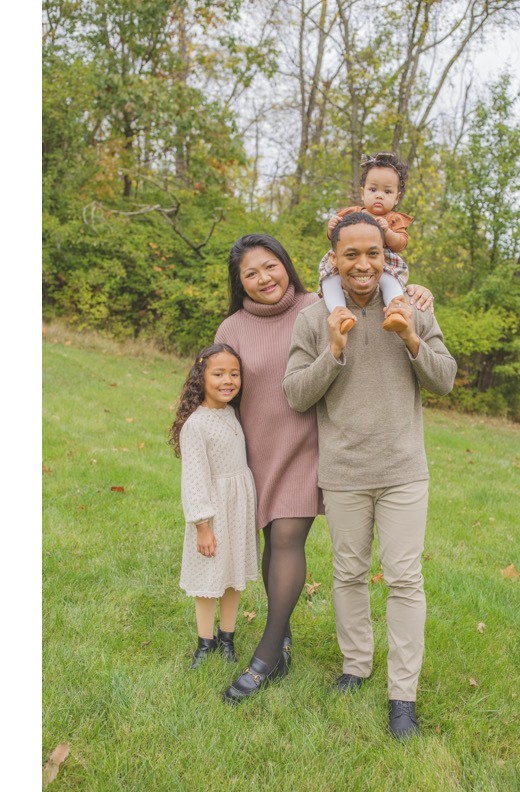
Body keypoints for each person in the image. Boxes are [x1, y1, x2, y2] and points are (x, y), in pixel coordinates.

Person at [214, 234, 435, 703]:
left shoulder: (320, 304)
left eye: (270, 266)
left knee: (290, 537)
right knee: (274, 541)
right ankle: (286, 639)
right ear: (239, 284)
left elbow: (369, 267)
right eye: (250, 274)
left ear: (288, 265)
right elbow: (222, 386)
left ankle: (268, 653)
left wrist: (414, 293)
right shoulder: (231, 328)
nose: (263, 278)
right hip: (261, 449)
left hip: (312, 445)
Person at [283, 212, 457, 740]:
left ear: (387, 257)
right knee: (348, 574)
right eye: (351, 254)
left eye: (373, 254)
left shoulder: (412, 308)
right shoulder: (315, 319)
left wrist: (410, 339)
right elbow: (294, 394)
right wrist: (333, 350)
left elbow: (445, 380)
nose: (362, 264)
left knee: (404, 579)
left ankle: (402, 695)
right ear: (333, 258)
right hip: (345, 472)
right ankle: (356, 667)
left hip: (403, 469)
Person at [169, 344, 259, 670]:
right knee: (209, 578)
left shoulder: (232, 412)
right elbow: (194, 479)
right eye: (218, 373)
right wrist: (202, 526)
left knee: (233, 575)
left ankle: (227, 638)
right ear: (201, 377)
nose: (228, 380)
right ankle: (204, 643)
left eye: (234, 374)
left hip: (238, 509)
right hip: (214, 511)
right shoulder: (196, 425)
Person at [319, 152, 415, 334]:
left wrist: (387, 232)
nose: (379, 196)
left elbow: (400, 244)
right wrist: (331, 229)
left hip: (382, 261)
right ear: (363, 193)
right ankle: (340, 314)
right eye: (373, 190)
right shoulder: (352, 213)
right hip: (348, 257)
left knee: (390, 281)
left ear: (396, 198)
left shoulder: (394, 219)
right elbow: (336, 238)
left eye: (387, 192)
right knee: (330, 278)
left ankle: (396, 312)